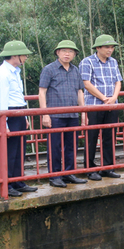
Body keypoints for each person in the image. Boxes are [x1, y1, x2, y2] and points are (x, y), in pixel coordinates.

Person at [0, 41, 38, 197]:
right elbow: (1, 100)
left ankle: (17, 180)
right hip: (8, 113)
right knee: (9, 150)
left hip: (18, 111)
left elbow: (18, 96)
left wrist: (23, 115)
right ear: (15, 55)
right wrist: (2, 122)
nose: (25, 57)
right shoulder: (2, 74)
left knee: (20, 149)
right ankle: (6, 183)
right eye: (23, 55)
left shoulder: (14, 71)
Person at [38, 40, 88, 188]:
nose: (67, 54)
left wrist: (83, 113)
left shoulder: (75, 70)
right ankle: (54, 176)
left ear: (74, 54)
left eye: (70, 51)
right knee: (55, 146)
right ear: (57, 52)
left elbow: (80, 92)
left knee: (71, 146)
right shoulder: (49, 69)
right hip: (55, 114)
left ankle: (69, 173)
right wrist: (45, 114)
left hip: (72, 114)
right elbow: (42, 92)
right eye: (64, 51)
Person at [79, 34, 123, 181]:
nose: (110, 50)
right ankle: (90, 168)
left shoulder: (113, 62)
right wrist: (104, 98)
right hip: (94, 105)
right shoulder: (87, 62)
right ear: (98, 48)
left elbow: (118, 81)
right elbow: (86, 83)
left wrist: (114, 98)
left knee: (109, 136)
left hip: (111, 105)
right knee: (91, 137)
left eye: (111, 47)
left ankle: (107, 167)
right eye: (106, 47)